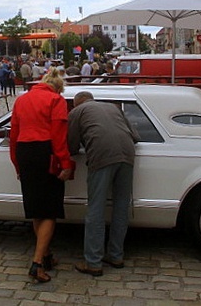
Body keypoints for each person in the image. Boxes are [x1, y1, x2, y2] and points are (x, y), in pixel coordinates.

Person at [9, 68, 74, 283]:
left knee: (37, 208)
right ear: (58, 88)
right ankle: (36, 263)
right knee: (49, 211)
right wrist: (65, 163)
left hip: (25, 153)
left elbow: (14, 135)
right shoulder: (56, 101)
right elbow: (58, 137)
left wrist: (17, 164)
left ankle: (46, 256)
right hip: (46, 153)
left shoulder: (22, 100)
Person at [67, 91, 137, 277]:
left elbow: (71, 145)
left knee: (95, 210)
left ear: (76, 104)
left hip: (102, 156)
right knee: (121, 206)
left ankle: (93, 262)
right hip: (127, 155)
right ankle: (116, 255)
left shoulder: (77, 111)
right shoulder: (113, 107)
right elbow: (134, 135)